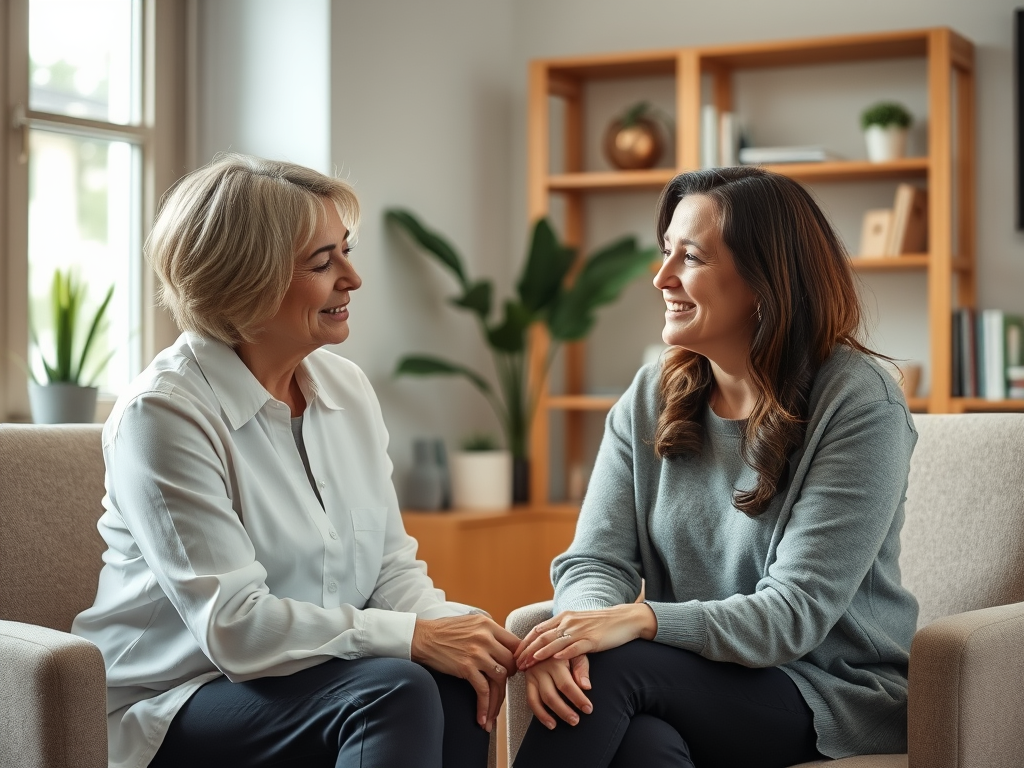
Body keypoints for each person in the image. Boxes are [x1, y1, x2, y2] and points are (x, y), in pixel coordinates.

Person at [72, 154, 520, 768]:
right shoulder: (163, 414)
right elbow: (234, 627)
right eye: (322, 262)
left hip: (309, 683)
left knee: (457, 680)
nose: (353, 278)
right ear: (243, 283)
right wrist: (413, 639)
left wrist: (476, 637)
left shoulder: (348, 389)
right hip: (172, 703)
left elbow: (391, 572)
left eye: (346, 249)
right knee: (395, 688)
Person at [512, 166, 919, 768]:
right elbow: (597, 559)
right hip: (696, 674)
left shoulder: (859, 404)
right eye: (665, 251)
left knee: (614, 669)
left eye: (692, 257)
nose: (662, 277)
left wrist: (642, 622)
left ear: (765, 281)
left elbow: (794, 613)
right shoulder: (651, 395)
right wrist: (580, 629)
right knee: (640, 744)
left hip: (826, 689)